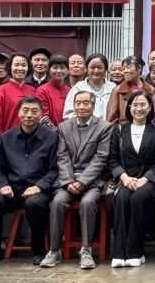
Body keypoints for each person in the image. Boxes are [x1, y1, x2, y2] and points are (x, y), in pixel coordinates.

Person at [0, 97, 59, 266]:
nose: (29, 115)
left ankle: (38, 251)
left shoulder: (52, 138)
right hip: (12, 189)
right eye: (25, 110)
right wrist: (2, 185)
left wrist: (39, 186)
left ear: (41, 114)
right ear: (18, 113)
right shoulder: (5, 138)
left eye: (34, 111)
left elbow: (54, 169)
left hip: (37, 189)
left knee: (34, 203)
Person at [42, 91, 113, 269]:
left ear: (93, 106)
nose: (81, 107)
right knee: (57, 202)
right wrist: (68, 181)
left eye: (85, 103)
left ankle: (86, 250)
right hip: (68, 180)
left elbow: (101, 158)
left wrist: (83, 182)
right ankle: (54, 249)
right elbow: (62, 156)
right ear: (73, 106)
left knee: (88, 203)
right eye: (78, 103)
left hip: (92, 181)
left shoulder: (104, 127)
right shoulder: (64, 127)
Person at [108, 91, 155, 267]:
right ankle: (119, 253)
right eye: (135, 105)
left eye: (142, 105)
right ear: (129, 108)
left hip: (149, 181)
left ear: (150, 107)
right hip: (126, 179)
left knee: (138, 198)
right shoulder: (119, 130)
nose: (138, 109)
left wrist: (145, 179)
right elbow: (113, 159)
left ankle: (135, 252)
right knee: (122, 198)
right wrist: (124, 177)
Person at [0, 54, 36, 134]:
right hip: (8, 138)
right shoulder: (1, 90)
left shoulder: (33, 90)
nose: (20, 68)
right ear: (10, 67)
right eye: (16, 65)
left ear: (28, 68)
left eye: (23, 65)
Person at [65, 53, 116, 122]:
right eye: (92, 67)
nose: (96, 71)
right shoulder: (78, 88)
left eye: (100, 67)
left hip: (109, 127)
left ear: (105, 69)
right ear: (86, 69)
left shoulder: (113, 88)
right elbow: (68, 114)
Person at [107, 56, 154, 125]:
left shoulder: (151, 90)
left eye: (128, 67)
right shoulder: (117, 90)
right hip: (123, 129)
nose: (125, 71)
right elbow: (111, 119)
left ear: (139, 68)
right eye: (124, 68)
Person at [35, 55, 71, 127]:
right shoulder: (42, 90)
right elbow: (43, 118)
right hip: (50, 132)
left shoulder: (70, 91)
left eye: (62, 68)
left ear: (68, 70)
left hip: (70, 131)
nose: (58, 71)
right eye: (55, 67)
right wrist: (56, 132)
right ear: (48, 70)